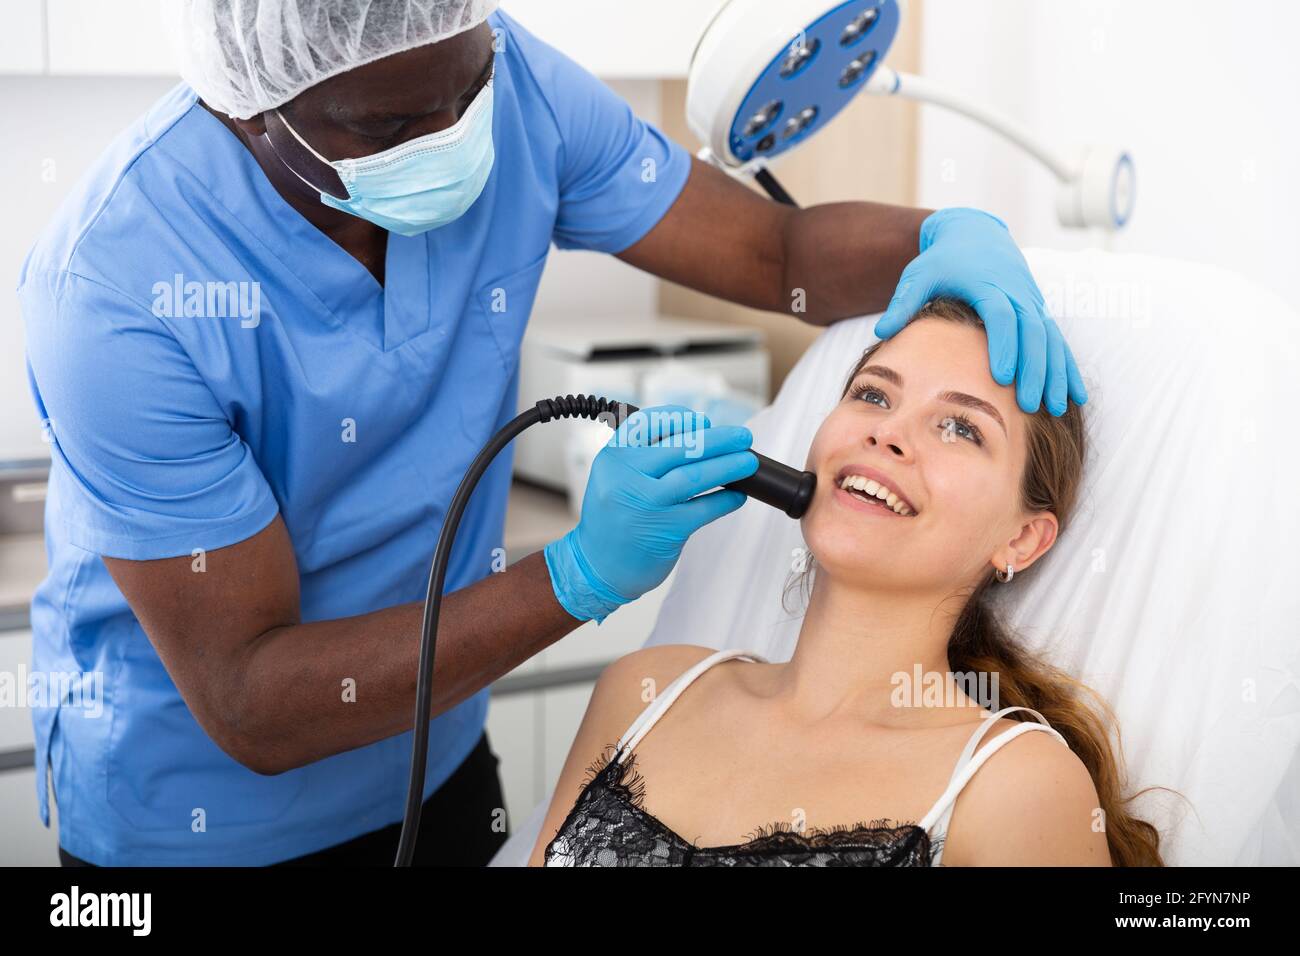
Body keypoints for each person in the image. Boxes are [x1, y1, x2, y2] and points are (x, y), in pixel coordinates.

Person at [17, 0, 1085, 866]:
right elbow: (250, 700)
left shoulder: (510, 86)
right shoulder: (116, 284)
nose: (449, 137)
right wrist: (574, 575)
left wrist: (944, 234)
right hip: (196, 825)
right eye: (389, 129)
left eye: (464, 94)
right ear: (253, 112)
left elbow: (773, 256)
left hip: (433, 765)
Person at [530, 298, 1162, 867]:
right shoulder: (643, 695)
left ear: (1021, 540)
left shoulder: (1017, 789)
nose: (887, 432)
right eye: (874, 395)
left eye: (961, 428)